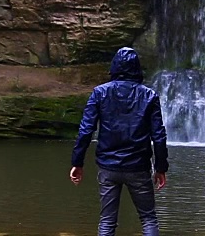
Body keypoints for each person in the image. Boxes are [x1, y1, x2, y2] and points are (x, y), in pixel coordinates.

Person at [70, 47, 169, 236]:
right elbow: (159, 136)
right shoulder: (149, 95)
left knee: (107, 221)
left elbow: (85, 131)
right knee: (148, 219)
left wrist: (77, 162)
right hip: (138, 167)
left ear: (114, 67)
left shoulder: (99, 93)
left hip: (108, 167)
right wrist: (161, 168)